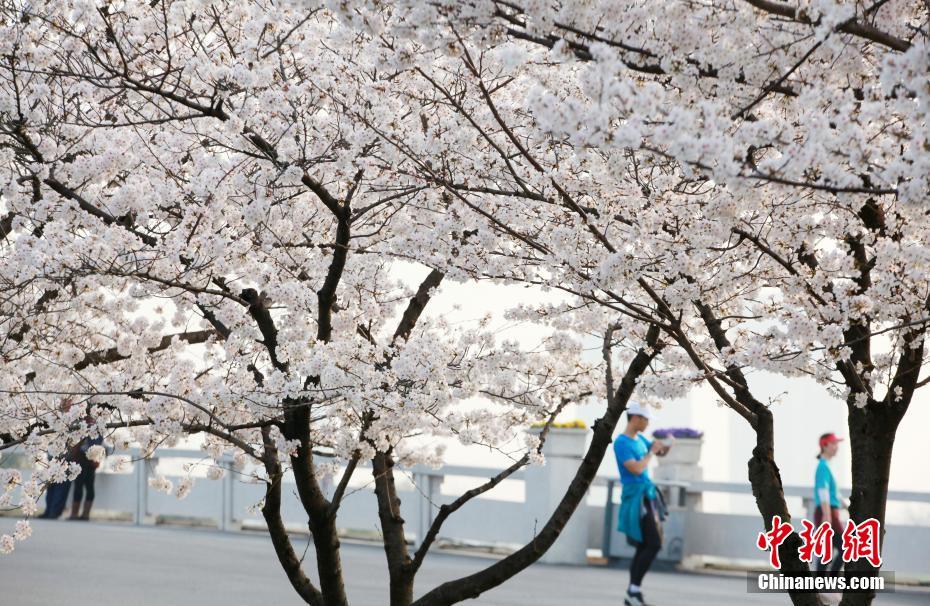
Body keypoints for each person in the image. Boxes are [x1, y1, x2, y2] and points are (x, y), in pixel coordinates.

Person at [614, 404, 670, 606]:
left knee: (646, 544)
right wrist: (652, 453)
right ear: (636, 418)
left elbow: (658, 451)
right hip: (636, 498)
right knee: (652, 543)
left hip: (647, 496)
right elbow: (636, 469)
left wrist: (665, 445)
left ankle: (633, 592)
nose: (647, 423)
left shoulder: (640, 439)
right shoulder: (621, 443)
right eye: (646, 419)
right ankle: (633, 591)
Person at [814, 432, 845, 573]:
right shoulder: (823, 467)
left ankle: (821, 586)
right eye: (833, 444)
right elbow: (823, 491)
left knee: (827, 550)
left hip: (829, 510)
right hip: (828, 511)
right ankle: (827, 584)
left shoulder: (826, 466)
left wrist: (847, 506)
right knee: (846, 548)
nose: (836, 447)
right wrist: (827, 516)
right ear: (824, 446)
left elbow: (834, 494)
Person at [68, 419, 104, 521]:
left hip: (91, 459)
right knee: (79, 486)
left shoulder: (97, 427)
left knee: (89, 486)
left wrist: (96, 456)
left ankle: (85, 514)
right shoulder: (79, 425)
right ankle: (75, 514)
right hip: (80, 459)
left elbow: (99, 441)